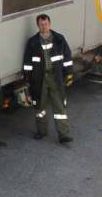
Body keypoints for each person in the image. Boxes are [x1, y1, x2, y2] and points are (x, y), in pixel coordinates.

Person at [22, 13, 74, 143]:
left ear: (49, 24)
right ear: (38, 26)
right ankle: (41, 131)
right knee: (40, 107)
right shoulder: (33, 42)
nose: (44, 26)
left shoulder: (59, 39)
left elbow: (67, 57)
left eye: (45, 24)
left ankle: (63, 135)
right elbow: (27, 63)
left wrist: (69, 73)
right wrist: (27, 80)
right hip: (39, 79)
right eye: (41, 24)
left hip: (55, 77)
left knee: (59, 105)